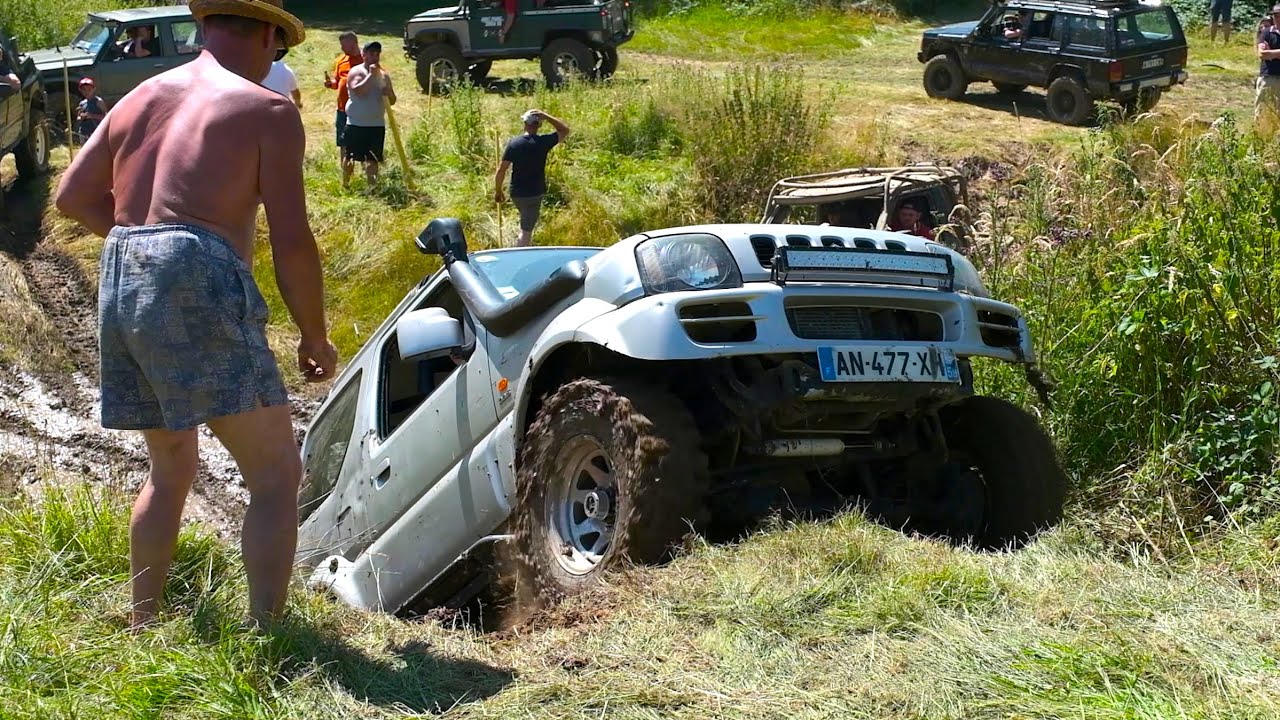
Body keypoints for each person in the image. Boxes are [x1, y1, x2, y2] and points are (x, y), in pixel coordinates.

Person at [52, 0, 337, 631]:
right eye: (278, 49)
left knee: (171, 465)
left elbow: (71, 195)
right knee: (274, 473)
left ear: (206, 29)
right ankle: (267, 637)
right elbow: (292, 238)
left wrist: (148, 248)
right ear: (268, 36)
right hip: (197, 267)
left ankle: (143, 624)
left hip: (126, 269)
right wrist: (314, 334)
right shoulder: (266, 109)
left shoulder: (139, 96)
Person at [494, 109, 571, 247]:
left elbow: (501, 170)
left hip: (517, 193)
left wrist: (498, 191)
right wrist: (547, 116)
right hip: (534, 193)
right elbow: (564, 130)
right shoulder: (543, 142)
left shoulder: (514, 143)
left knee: (526, 222)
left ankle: (524, 244)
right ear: (539, 125)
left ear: (524, 123)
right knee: (526, 231)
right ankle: (521, 255)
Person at [342, 41, 396, 188]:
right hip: (356, 123)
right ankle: (346, 185)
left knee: (372, 159)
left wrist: (389, 93)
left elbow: (392, 101)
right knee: (350, 157)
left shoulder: (384, 75)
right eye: (371, 54)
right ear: (363, 55)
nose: (375, 57)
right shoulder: (356, 71)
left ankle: (372, 187)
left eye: (377, 54)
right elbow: (359, 92)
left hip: (376, 124)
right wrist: (371, 76)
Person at [324, 31, 361, 162]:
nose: (342, 48)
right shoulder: (341, 60)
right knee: (343, 141)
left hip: (360, 109)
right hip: (342, 109)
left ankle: (363, 168)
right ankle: (344, 170)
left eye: (344, 45)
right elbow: (337, 82)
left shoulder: (365, 60)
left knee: (361, 141)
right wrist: (330, 84)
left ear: (354, 44)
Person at [1257, 6, 1280, 133]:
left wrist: (1272, 53)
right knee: (1262, 111)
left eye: (1279, 15)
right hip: (1268, 77)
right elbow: (1262, 54)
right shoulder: (1266, 32)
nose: (1277, 18)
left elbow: (1267, 53)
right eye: (1275, 16)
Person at [74, 77, 108, 143]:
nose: (86, 92)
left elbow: (106, 116)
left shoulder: (98, 101)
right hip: (84, 132)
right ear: (80, 90)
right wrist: (81, 117)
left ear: (94, 89)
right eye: (84, 90)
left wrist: (92, 116)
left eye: (89, 89)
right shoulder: (82, 103)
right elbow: (78, 118)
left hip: (96, 131)